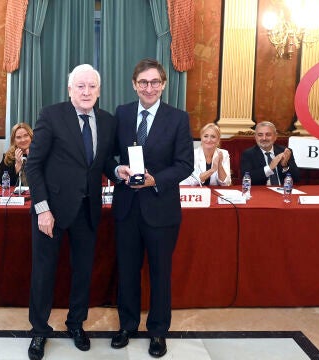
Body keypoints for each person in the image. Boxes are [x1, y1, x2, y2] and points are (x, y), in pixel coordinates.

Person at [25, 64, 117, 360]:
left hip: (87, 210)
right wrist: (42, 209)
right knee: (44, 273)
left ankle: (76, 324)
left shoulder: (107, 121)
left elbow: (102, 163)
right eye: (80, 86)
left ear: (99, 91)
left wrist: (118, 170)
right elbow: (33, 165)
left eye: (92, 86)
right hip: (50, 212)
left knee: (83, 272)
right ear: (70, 90)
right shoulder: (51, 115)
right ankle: (39, 331)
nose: (87, 91)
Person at [105, 58, 194, 358]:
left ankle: (157, 332)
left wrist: (156, 180)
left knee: (160, 273)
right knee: (127, 272)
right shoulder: (123, 114)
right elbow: (109, 156)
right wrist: (117, 172)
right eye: (143, 82)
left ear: (164, 85)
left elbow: (185, 164)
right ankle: (127, 326)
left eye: (155, 82)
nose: (149, 87)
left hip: (161, 210)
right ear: (134, 84)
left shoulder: (178, 118)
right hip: (127, 208)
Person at [240, 121, 300, 186]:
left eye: (268, 134)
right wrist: (270, 167)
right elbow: (247, 179)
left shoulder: (284, 152)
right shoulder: (248, 154)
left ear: (275, 137)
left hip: (283, 191)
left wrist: (285, 166)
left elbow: (297, 178)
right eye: (260, 135)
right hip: (262, 192)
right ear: (255, 137)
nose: (264, 138)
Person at [0, 123, 33, 187]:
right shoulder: (8, 157)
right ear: (14, 140)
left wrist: (32, 161)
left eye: (26, 135)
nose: (23, 140)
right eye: (18, 137)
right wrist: (17, 166)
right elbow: (4, 183)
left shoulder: (41, 155)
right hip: (15, 195)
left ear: (31, 137)